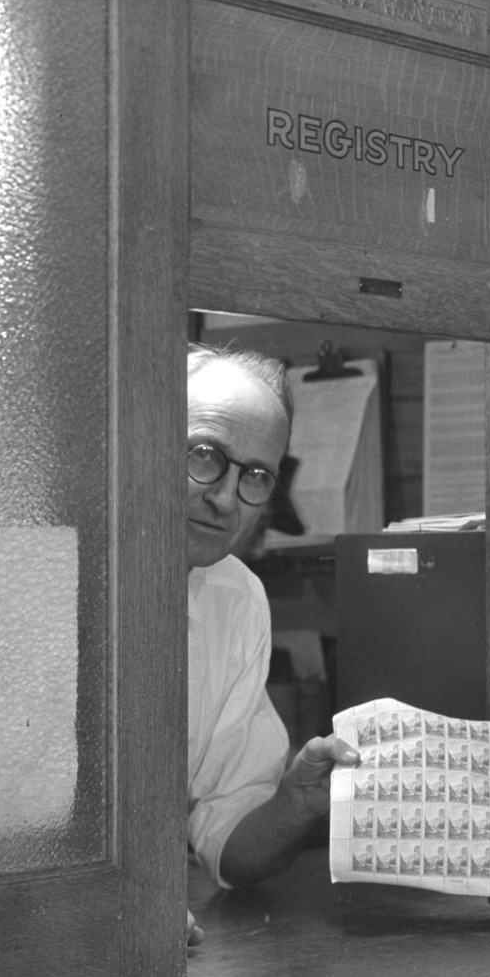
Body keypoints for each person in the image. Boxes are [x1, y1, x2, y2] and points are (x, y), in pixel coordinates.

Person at [186, 344, 357, 890]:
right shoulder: (41, 577)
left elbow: (228, 843)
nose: (226, 499)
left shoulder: (236, 598)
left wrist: (295, 805)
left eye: (256, 476)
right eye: (205, 454)